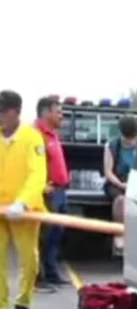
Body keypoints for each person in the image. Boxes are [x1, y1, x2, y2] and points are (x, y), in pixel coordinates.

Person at [0, 90, 48, 309]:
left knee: (29, 260)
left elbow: (37, 174)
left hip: (24, 209)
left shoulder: (32, 138)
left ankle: (22, 304)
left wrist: (23, 202)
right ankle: (0, 307)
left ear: (17, 112)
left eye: (3, 112)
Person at [35, 96, 71, 288]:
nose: (61, 115)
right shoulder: (36, 135)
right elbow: (33, 165)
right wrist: (43, 186)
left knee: (56, 234)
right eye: (58, 112)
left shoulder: (53, 134)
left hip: (60, 191)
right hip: (48, 193)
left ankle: (51, 273)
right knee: (44, 235)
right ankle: (37, 277)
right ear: (46, 113)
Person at [103, 115, 137, 253]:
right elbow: (108, 172)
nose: (131, 142)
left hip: (136, 181)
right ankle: (119, 235)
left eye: (133, 139)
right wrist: (121, 185)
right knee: (120, 200)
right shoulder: (112, 146)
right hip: (116, 182)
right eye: (127, 139)